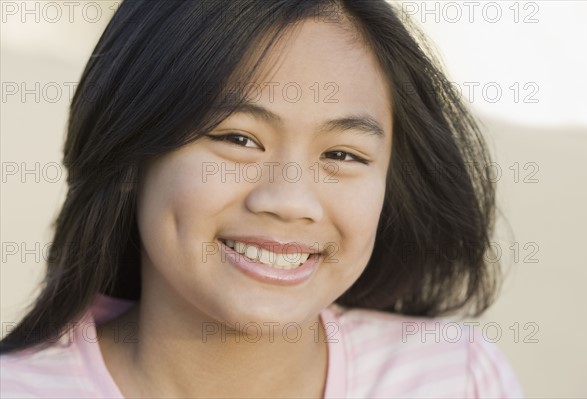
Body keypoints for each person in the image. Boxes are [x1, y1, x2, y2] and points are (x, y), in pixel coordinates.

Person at [0, 1, 523, 397]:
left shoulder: (456, 377)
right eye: (238, 139)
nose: (291, 200)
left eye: (342, 154)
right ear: (130, 155)